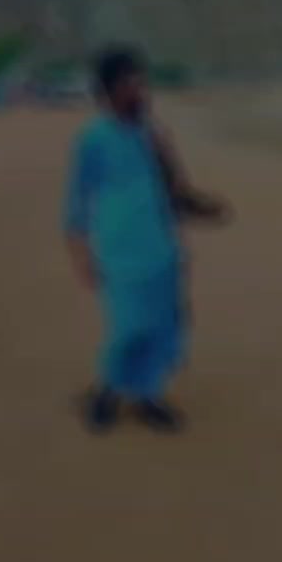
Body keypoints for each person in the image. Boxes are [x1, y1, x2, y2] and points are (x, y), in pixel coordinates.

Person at [63, 47, 230, 433]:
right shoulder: (92, 139)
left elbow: (176, 191)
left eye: (141, 81)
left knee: (164, 329)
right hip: (119, 253)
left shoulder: (154, 135)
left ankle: (146, 397)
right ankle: (107, 392)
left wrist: (205, 209)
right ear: (107, 91)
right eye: (129, 83)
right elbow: (76, 203)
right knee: (128, 329)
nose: (139, 90)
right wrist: (81, 256)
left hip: (162, 250)